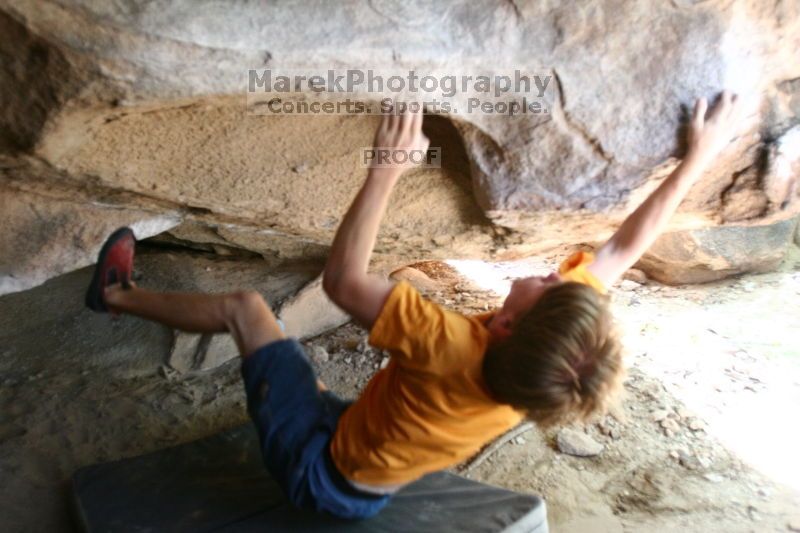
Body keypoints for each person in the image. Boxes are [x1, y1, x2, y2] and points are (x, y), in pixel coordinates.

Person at [85, 91, 744, 519]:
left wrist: (388, 166)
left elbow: (343, 281)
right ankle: (305, 402)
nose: (555, 271)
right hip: (365, 472)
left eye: (549, 283)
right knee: (297, 370)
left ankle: (115, 296)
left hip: (319, 470)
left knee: (250, 311)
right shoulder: (533, 371)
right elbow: (625, 248)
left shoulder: (450, 343)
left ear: (506, 325)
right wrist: (697, 159)